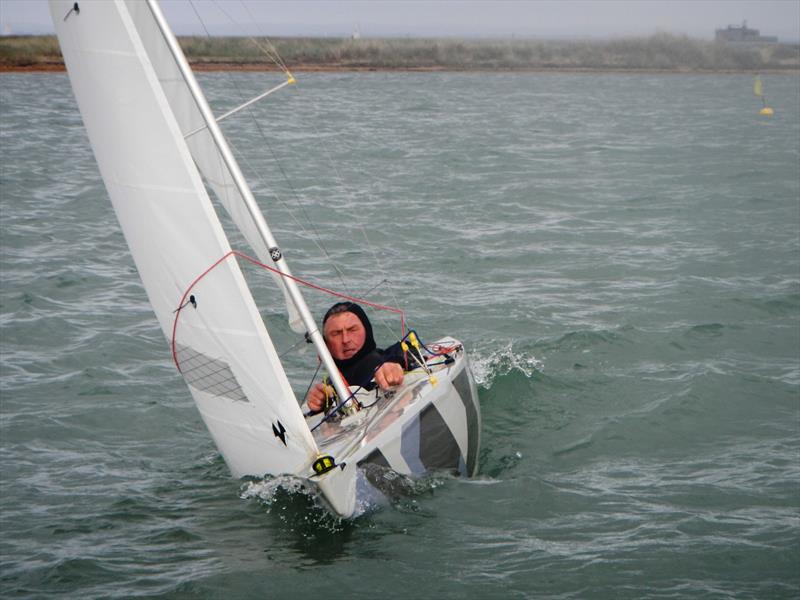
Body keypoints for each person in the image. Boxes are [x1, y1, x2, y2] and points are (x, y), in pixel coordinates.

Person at [306, 302, 404, 414]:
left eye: (352, 329)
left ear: (367, 331)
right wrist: (321, 403)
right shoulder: (331, 383)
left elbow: (403, 351)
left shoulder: (383, 360)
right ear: (326, 344)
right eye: (336, 333)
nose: (345, 340)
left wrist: (396, 365)